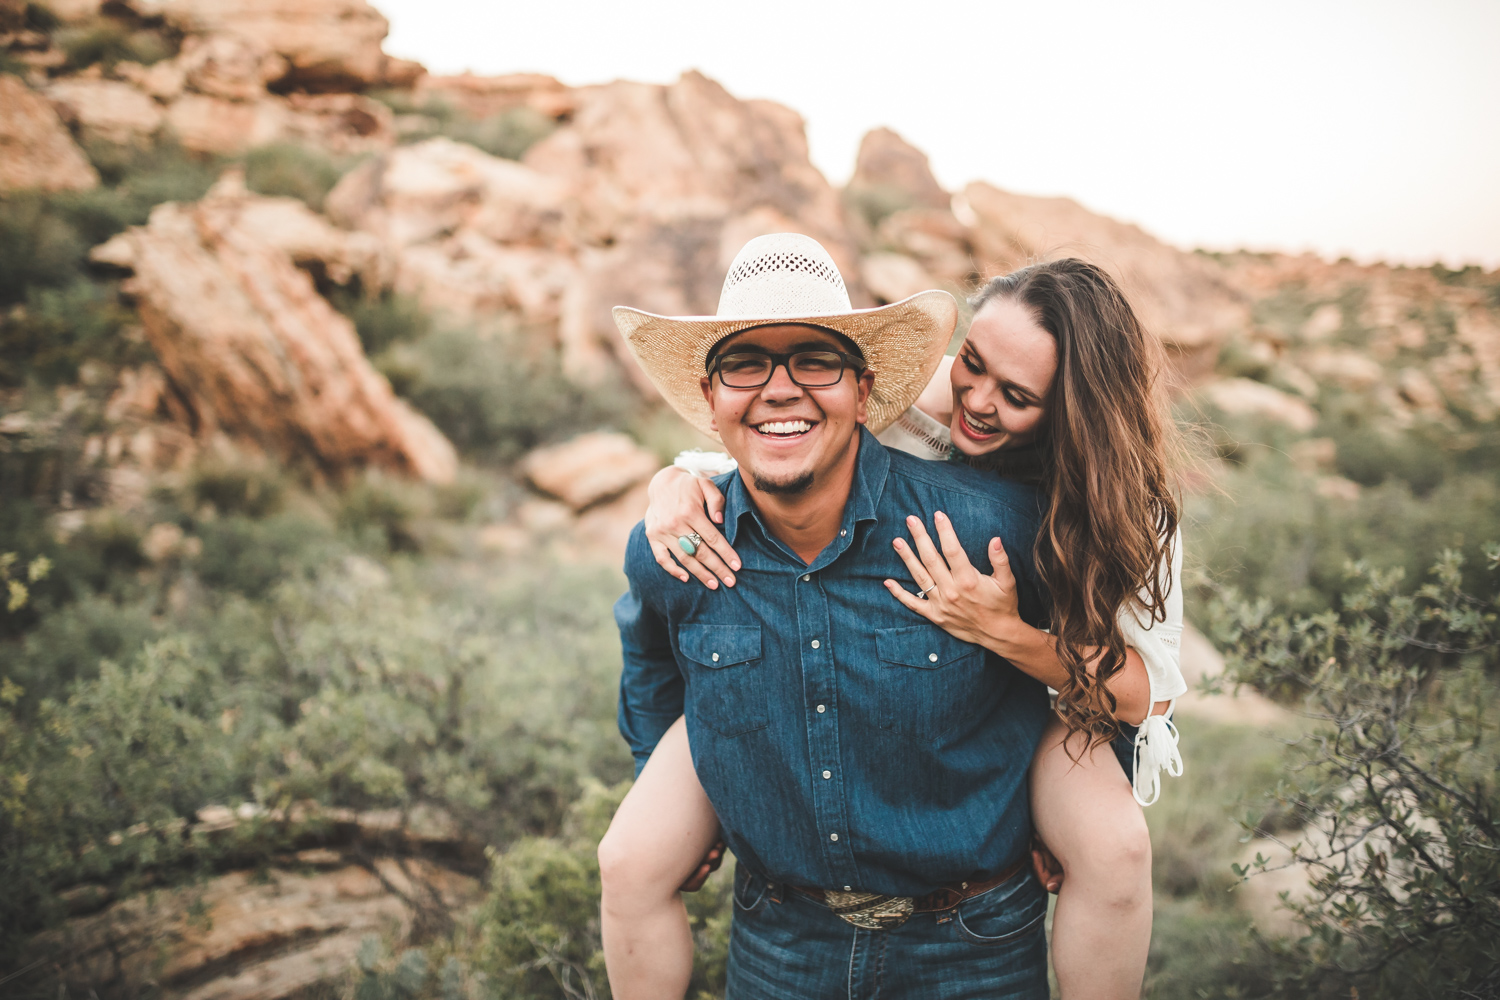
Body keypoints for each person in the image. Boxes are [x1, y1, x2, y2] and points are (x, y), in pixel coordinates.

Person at [607, 250, 1186, 999]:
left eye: (1015, 395)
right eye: (971, 365)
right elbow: (770, 436)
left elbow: (1144, 694)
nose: (977, 400)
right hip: (785, 934)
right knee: (625, 859)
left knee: (1114, 851)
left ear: (1068, 410)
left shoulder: (1090, 517)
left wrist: (1005, 637)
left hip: (1056, 689)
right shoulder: (917, 400)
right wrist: (672, 485)